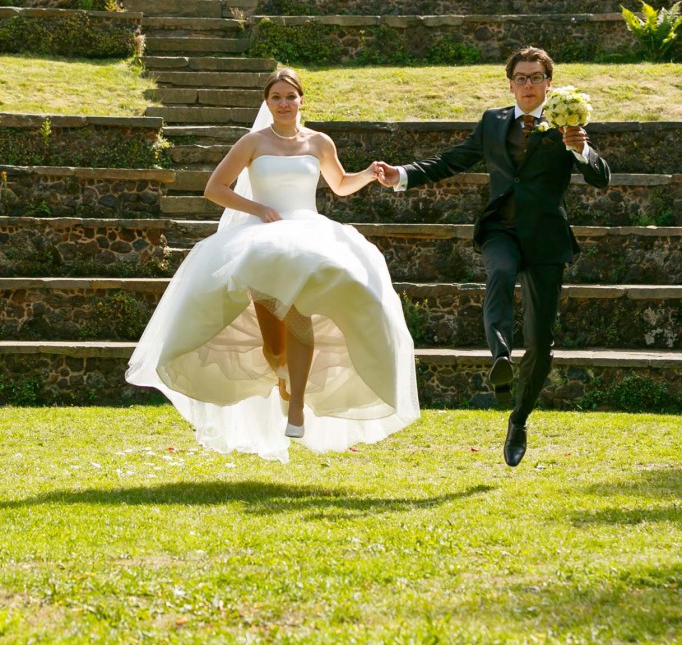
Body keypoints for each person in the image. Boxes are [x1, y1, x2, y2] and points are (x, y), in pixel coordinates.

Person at [126, 68, 419, 463]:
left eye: (290, 96)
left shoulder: (319, 142)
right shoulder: (253, 142)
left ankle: (296, 403)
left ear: (301, 100)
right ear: (267, 103)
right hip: (263, 239)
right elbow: (215, 188)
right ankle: (281, 374)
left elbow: (339, 184)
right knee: (273, 344)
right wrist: (258, 208)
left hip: (309, 234)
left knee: (305, 311)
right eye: (276, 97)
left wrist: (367, 175)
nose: (284, 103)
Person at [374, 46, 610, 467]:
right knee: (499, 274)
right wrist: (403, 174)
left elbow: (601, 179)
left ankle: (519, 418)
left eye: (536, 77)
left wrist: (580, 149)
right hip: (500, 228)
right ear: (511, 83)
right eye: (520, 77)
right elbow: (452, 161)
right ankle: (500, 356)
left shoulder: (566, 124)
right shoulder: (492, 121)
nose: (528, 84)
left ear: (549, 84)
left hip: (546, 239)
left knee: (541, 342)